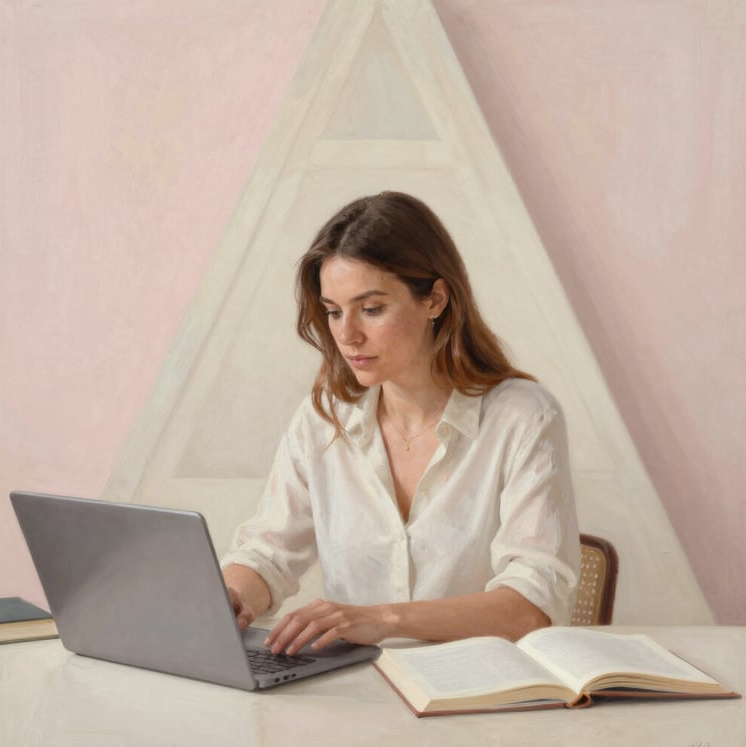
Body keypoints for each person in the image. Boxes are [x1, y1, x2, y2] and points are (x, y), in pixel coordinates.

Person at [221, 191, 580, 657]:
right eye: (333, 311)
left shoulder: (524, 417)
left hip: (477, 702)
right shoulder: (324, 417)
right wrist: (231, 598)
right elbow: (267, 554)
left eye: (371, 309)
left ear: (435, 299)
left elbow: (530, 606)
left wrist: (378, 619)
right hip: (358, 694)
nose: (347, 335)